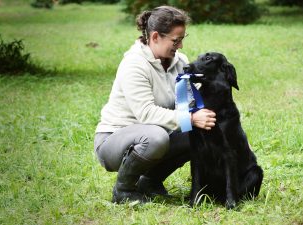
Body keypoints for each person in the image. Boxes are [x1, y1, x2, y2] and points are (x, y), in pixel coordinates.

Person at [93, 6, 217, 204]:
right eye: (176, 40)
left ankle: (149, 182)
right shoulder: (134, 64)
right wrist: (191, 118)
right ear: (156, 36)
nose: (181, 46)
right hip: (113, 140)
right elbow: (146, 114)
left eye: (183, 38)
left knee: (196, 133)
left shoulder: (179, 61)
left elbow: (189, 100)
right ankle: (123, 191)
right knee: (157, 137)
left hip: (154, 135)